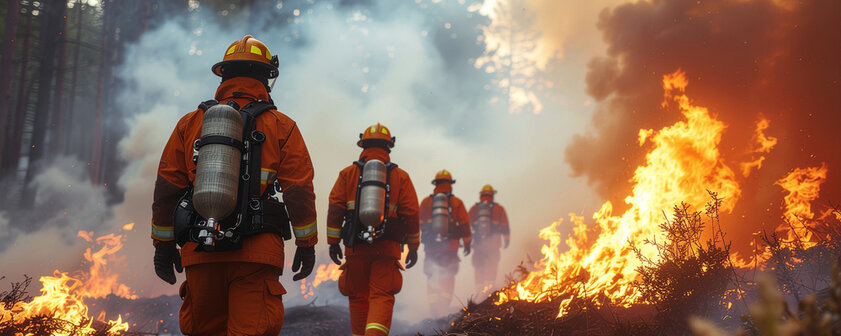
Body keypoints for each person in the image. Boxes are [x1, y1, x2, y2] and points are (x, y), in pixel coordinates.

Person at [151, 35, 317, 336]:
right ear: (267, 78)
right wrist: (307, 245)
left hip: (200, 249)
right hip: (256, 255)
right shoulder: (282, 126)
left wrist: (163, 246)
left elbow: (166, 189)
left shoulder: (191, 123)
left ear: (223, 75)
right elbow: (299, 191)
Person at [326, 123, 420, 336]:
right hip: (387, 249)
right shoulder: (400, 177)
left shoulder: (347, 174)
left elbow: (335, 209)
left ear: (363, 145)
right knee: (381, 296)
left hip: (355, 249)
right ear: (389, 147)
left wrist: (333, 242)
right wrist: (413, 246)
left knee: (358, 296)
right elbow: (412, 214)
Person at [419, 170, 471, 314]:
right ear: (450, 184)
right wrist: (467, 243)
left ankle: (434, 308)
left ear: (435, 184)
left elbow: (418, 223)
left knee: (432, 275)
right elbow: (465, 224)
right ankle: (444, 307)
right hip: (450, 248)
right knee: (448, 275)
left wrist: (413, 244)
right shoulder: (456, 202)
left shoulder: (426, 202)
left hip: (431, 248)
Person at [468, 184, 510, 288]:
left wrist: (466, 242)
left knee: (478, 267)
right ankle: (490, 290)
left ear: (481, 195)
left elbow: (466, 226)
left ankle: (479, 291)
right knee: (492, 265)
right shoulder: (498, 208)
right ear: (492, 195)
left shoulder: (474, 209)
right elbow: (504, 225)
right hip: (493, 245)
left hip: (478, 245)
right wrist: (506, 240)